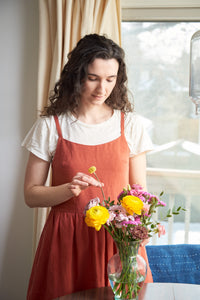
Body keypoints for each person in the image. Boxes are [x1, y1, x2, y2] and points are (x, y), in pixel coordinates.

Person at [22, 34, 153, 300]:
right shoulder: (50, 126)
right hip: (65, 241)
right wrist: (68, 189)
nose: (101, 89)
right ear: (76, 75)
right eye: (93, 78)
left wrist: (140, 231)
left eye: (110, 79)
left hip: (116, 241)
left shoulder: (130, 124)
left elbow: (140, 194)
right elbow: (31, 195)